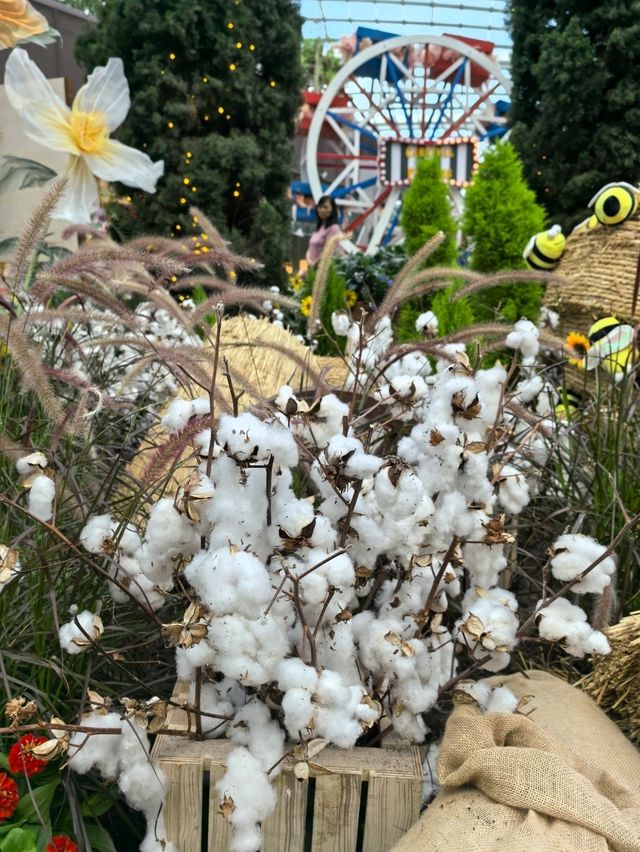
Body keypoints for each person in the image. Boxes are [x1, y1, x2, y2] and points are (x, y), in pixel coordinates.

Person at [305, 195, 342, 268]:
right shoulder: (319, 227)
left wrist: (314, 264)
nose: (321, 209)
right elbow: (310, 248)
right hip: (311, 269)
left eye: (325, 207)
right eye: (320, 207)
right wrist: (309, 261)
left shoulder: (334, 228)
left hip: (322, 272)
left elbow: (328, 252)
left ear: (332, 210)